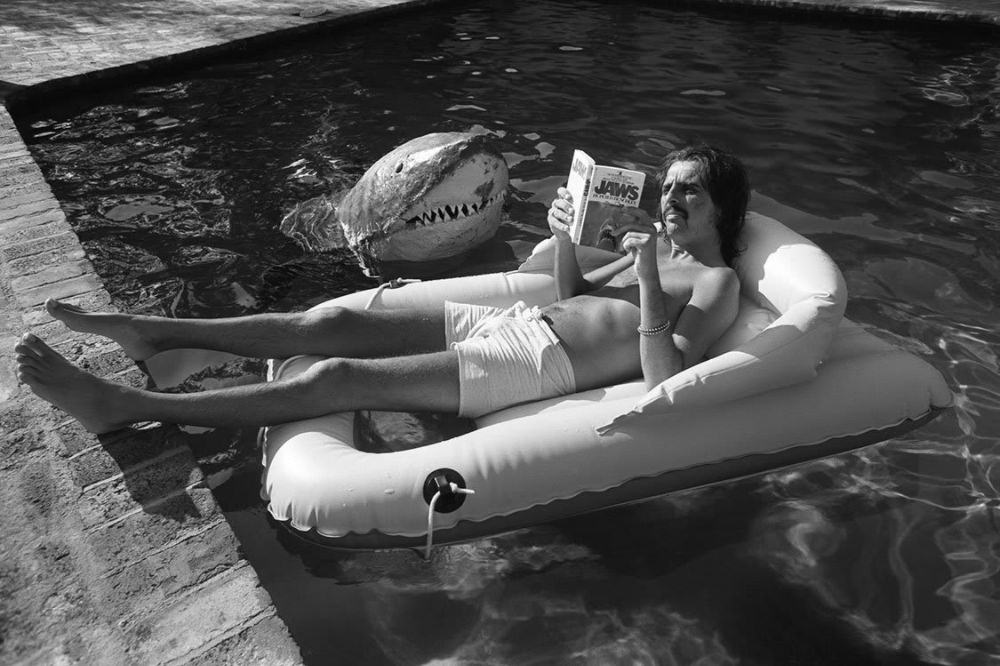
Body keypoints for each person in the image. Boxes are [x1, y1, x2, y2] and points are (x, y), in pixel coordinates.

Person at [14, 144, 748, 435]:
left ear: (723, 210)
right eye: (671, 186)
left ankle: (124, 407)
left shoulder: (714, 281)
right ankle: (159, 333)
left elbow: (666, 373)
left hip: (538, 362)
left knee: (336, 376)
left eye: (691, 193)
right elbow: (579, 291)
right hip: (523, 319)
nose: (673, 198)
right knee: (329, 319)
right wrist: (563, 236)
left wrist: (649, 277)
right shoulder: (650, 248)